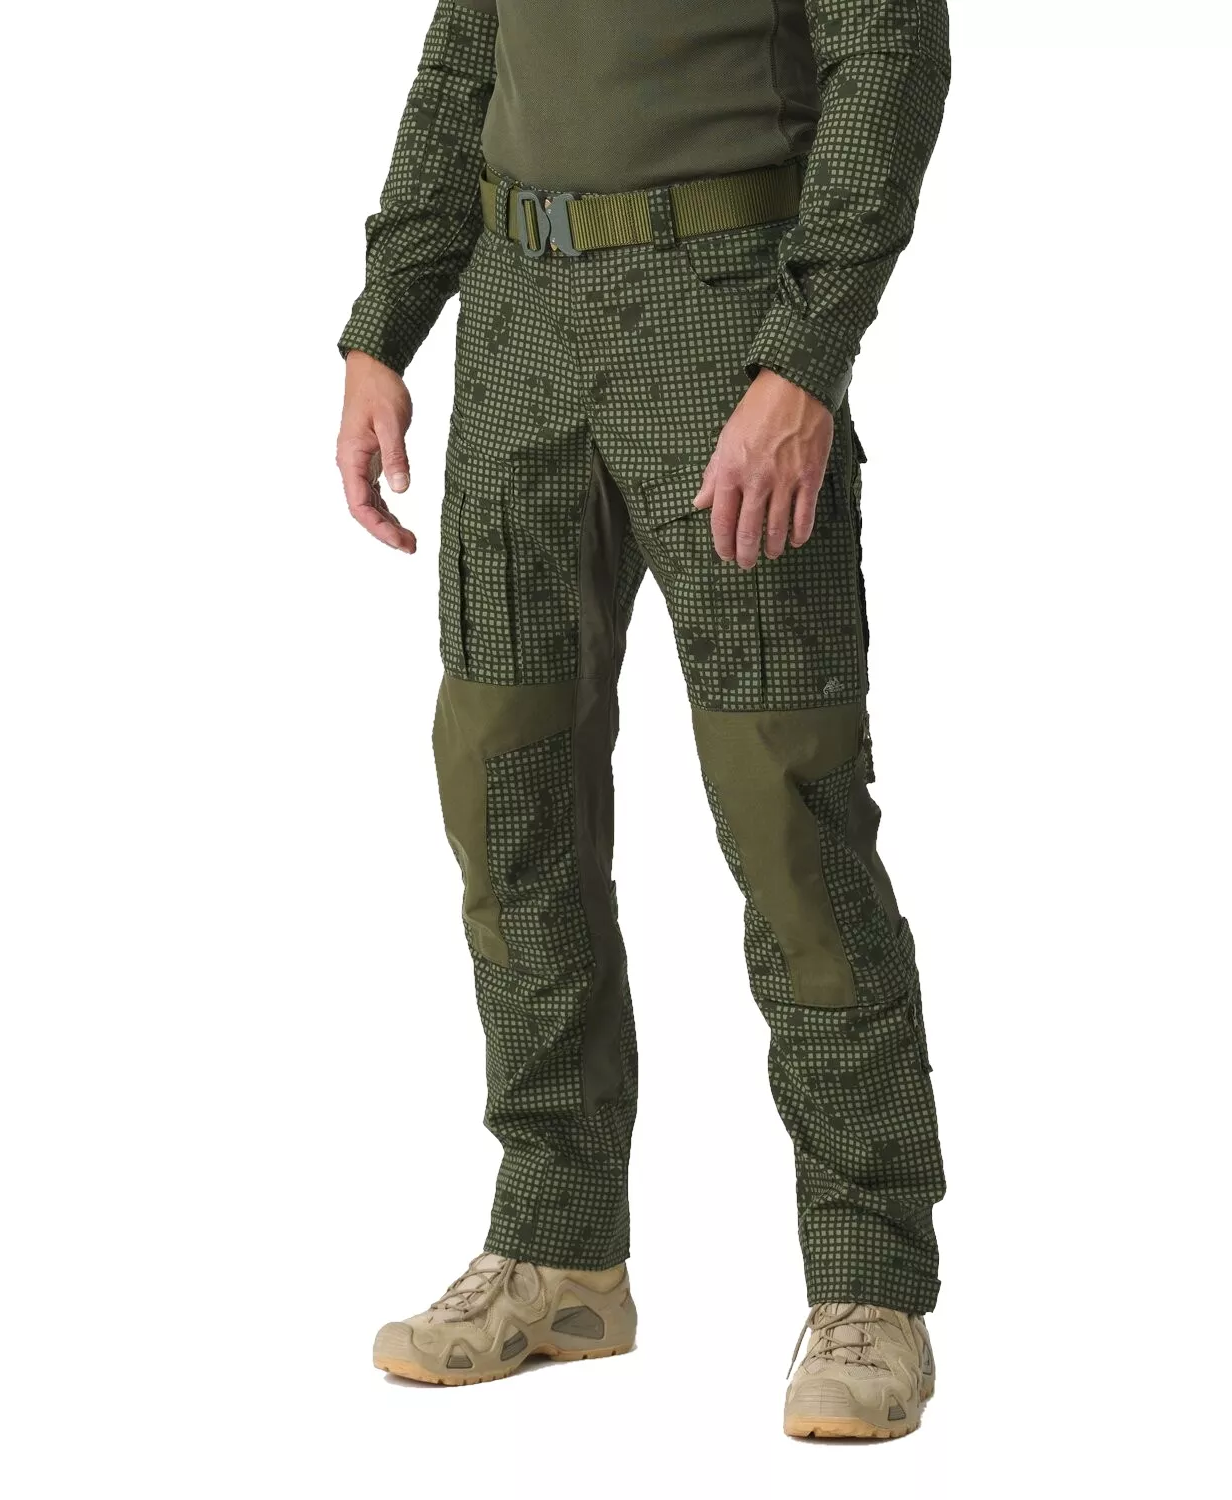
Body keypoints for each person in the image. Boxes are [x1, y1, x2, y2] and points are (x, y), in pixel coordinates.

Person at [335, 0, 952, 1441]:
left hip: (724, 319)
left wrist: (804, 359)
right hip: (518, 327)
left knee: (789, 819)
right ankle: (557, 1252)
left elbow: (889, 60)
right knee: (505, 798)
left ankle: (870, 1287)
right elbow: (467, 55)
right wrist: (384, 327)